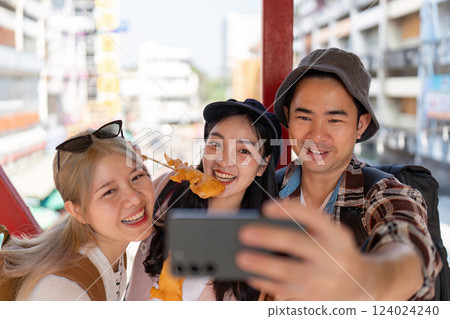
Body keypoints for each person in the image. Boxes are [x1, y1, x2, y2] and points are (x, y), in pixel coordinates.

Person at [235, 48, 443, 300]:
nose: (316, 136)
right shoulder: (267, 189)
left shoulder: (384, 193)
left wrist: (361, 279)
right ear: (288, 117)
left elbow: (410, 253)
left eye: (334, 120)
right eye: (304, 117)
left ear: (361, 125)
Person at [126, 98, 282, 301]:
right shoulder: (168, 189)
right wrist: (123, 173)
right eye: (215, 144)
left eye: (244, 151)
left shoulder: (264, 245)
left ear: (262, 165)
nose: (224, 161)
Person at [0, 120, 155, 300]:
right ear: (76, 212)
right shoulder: (64, 293)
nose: (135, 198)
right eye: (109, 191)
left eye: (136, 177)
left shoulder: (109, 249)